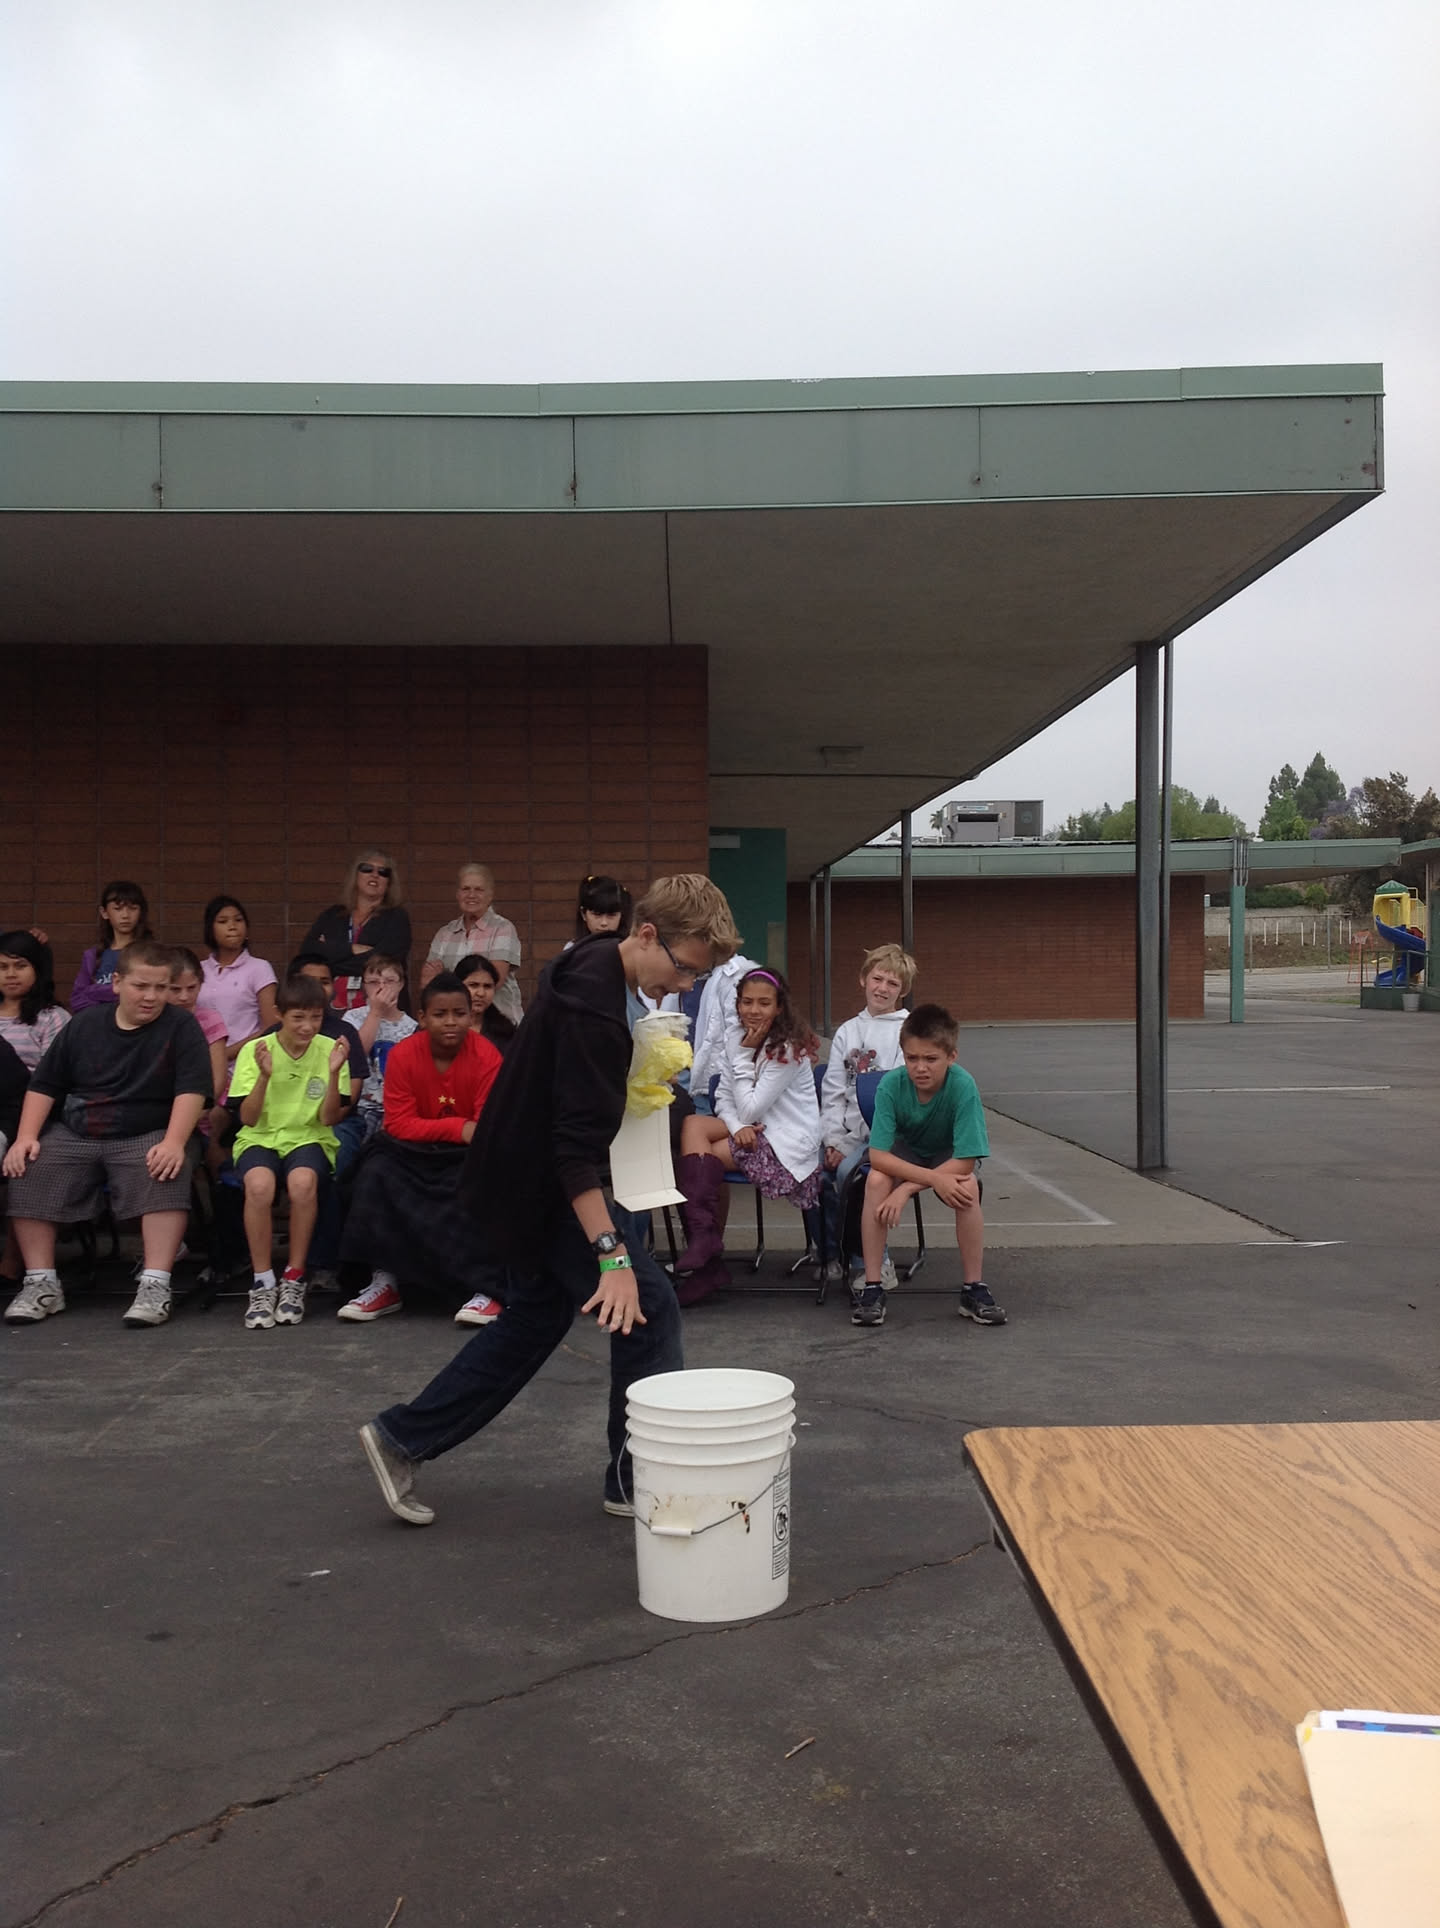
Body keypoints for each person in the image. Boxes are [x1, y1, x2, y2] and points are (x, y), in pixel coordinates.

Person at [357, 873, 740, 1528]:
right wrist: (612, 1255)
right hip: (544, 1187)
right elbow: (571, 1151)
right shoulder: (597, 1015)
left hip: (517, 1174)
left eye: (696, 977)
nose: (683, 985)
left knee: (536, 1317)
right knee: (650, 1308)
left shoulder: (598, 958)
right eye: (683, 969)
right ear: (648, 934)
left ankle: (401, 1438)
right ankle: (635, 1479)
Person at [2, 941, 212, 1328]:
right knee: (30, 1164)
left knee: (164, 1167)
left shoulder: (182, 1027)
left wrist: (174, 1141)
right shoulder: (84, 1024)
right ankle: (41, 1284)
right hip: (79, 1129)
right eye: (141, 986)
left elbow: (192, 1089)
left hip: (150, 1129)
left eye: (161, 988)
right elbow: (45, 1084)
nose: (151, 997)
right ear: (117, 983)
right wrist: (25, 1136)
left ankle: (155, 1285)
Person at [336, 974, 505, 1326]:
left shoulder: (487, 1055)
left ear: (470, 1015)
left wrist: (465, 1131)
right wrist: (458, 1127)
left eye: (459, 1013)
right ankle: (385, 1282)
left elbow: (485, 1128)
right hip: (412, 1150)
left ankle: (486, 1288)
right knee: (373, 1171)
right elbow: (398, 1123)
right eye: (440, 1014)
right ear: (423, 1017)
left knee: (491, 1179)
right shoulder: (402, 1055)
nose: (450, 1022)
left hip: (467, 1154)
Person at [673, 968, 822, 1305]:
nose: (753, 1010)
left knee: (701, 1156)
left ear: (779, 1007)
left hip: (785, 1140)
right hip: (752, 1128)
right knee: (693, 1125)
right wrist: (737, 1126)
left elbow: (751, 1107)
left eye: (764, 1003)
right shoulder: (735, 1035)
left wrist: (743, 1056)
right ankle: (704, 1245)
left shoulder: (787, 1049)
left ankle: (706, 1258)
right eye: (747, 1002)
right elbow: (724, 1098)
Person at [854, 1003, 1004, 1330]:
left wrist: (907, 1189)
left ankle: (973, 1288)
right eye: (912, 1058)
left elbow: (966, 1160)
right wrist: (927, 1181)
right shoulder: (891, 1085)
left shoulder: (963, 1086)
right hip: (905, 1152)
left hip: (947, 1156)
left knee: (967, 1186)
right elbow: (879, 1156)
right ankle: (873, 1286)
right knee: (876, 1181)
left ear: (952, 1056)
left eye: (931, 1059)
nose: (920, 1068)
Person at [227, 976, 351, 1330]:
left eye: (315, 1017)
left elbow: (329, 1119)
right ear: (279, 1014)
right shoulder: (257, 1050)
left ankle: (294, 1277)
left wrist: (334, 1073)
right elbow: (247, 1119)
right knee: (259, 1186)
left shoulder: (331, 1050)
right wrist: (265, 1077)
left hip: (309, 1136)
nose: (307, 1026)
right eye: (298, 1017)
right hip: (260, 1137)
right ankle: (263, 1281)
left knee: (302, 1183)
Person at [815, 944, 915, 1287]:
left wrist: (853, 1147)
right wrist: (833, 1140)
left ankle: (871, 1261)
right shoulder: (847, 1031)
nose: (883, 988)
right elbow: (833, 1092)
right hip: (845, 1135)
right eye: (877, 979)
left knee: (851, 1174)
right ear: (863, 979)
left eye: (892, 983)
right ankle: (830, 1253)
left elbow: (893, 1101)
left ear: (903, 990)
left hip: (884, 1137)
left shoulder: (907, 1031)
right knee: (809, 1169)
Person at [300, 850, 412, 1013]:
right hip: (332, 1009)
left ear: (389, 882)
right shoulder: (333, 915)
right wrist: (350, 949)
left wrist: (329, 960)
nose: (375, 875)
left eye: (383, 872)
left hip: (381, 1008)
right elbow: (307, 951)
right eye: (367, 869)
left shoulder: (397, 917)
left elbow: (384, 964)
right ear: (356, 875)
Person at [338, 954, 418, 1172]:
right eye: (373, 982)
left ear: (401, 984)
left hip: (395, 1110)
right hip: (359, 1107)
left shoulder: (412, 1027)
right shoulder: (352, 1018)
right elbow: (355, 1056)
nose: (381, 988)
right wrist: (375, 1013)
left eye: (389, 981)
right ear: (364, 986)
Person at [421, 862, 522, 1027]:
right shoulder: (445, 933)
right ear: (457, 894)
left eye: (479, 890)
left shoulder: (503, 929)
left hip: (499, 1025)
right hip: (454, 1026)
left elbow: (494, 979)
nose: (471, 895)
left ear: (490, 895)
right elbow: (429, 983)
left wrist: (446, 981)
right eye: (466, 889)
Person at [197, 896, 278, 1061]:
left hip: (246, 1064)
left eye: (238, 920)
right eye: (223, 921)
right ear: (210, 929)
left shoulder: (259, 968)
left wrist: (224, 1054)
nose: (232, 926)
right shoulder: (199, 969)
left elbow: (271, 1027)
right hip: (203, 1063)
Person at [70, 881, 151, 1012]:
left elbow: (147, 996)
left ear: (141, 912)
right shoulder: (92, 956)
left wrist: (94, 991)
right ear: (104, 912)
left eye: (132, 908)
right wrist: (118, 992)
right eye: (118, 909)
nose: (125, 915)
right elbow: (77, 1001)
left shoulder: (151, 954)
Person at [0, 930, 70, 1072]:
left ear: (37, 970)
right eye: (3, 967)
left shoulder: (53, 1018)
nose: (10, 974)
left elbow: (52, 1076)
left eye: (20, 966)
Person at [454, 953, 517, 1054]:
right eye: (473, 985)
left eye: (487, 986)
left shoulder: (505, 1033)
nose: (481, 993)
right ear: (456, 986)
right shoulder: (443, 1027)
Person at [566, 874, 632, 946]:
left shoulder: (632, 947)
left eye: (611, 915)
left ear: (621, 914)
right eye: (597, 914)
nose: (604, 923)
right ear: (583, 914)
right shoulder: (572, 948)